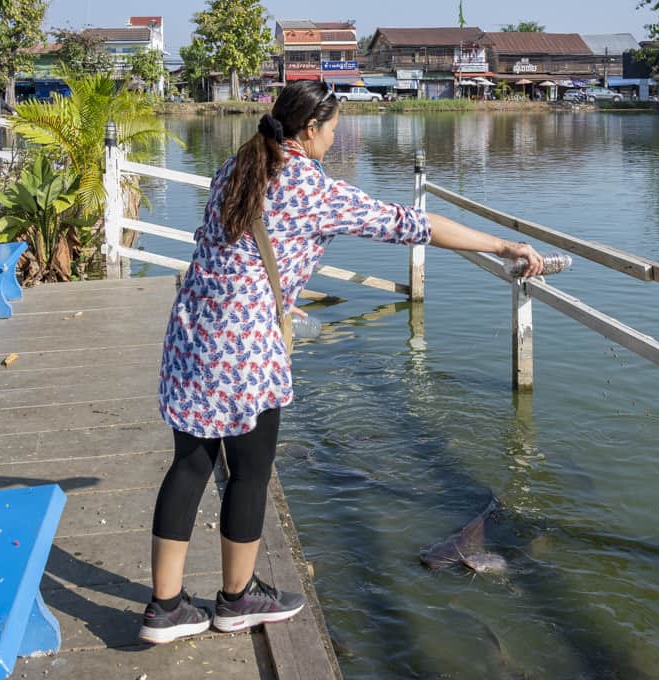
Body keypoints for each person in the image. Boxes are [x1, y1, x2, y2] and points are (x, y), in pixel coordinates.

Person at [138, 80, 544, 645]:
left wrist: (277, 292)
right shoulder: (313, 188)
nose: (337, 137)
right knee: (250, 473)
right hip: (244, 348)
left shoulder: (240, 164)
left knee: (189, 467)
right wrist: (504, 246)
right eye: (334, 128)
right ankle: (237, 599)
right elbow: (412, 224)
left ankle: (165, 608)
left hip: (193, 329)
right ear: (310, 131)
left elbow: (230, 245)